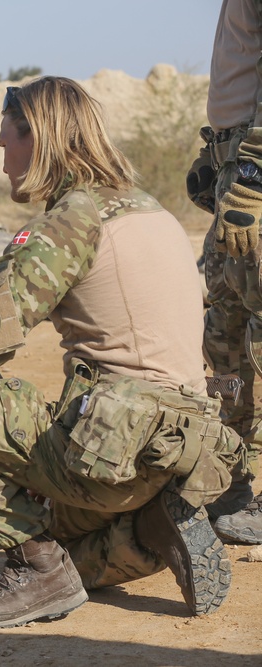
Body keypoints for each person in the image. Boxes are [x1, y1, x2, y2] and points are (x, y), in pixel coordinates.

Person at [0, 77, 245, 629]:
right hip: (184, 450)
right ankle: (147, 531)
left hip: (113, 446)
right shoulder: (150, 210)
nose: (3, 157)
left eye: (7, 140)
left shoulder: (71, 220)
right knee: (65, 542)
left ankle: (37, 569)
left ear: (40, 138)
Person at [186, 0, 262, 544]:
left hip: (252, 170)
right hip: (233, 162)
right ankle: (232, 482)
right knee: (223, 335)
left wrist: (254, 170)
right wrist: (219, 158)